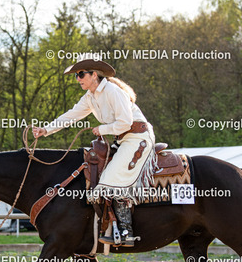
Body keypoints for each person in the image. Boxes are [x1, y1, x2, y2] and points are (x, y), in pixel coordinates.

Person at [32, 59, 156, 247]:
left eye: (81, 74)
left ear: (94, 75)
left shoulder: (113, 91)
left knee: (112, 179)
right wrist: (46, 130)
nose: (77, 79)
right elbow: (71, 115)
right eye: (76, 75)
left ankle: (126, 232)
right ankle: (109, 228)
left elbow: (125, 122)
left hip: (137, 138)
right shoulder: (90, 97)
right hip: (122, 140)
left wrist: (102, 129)